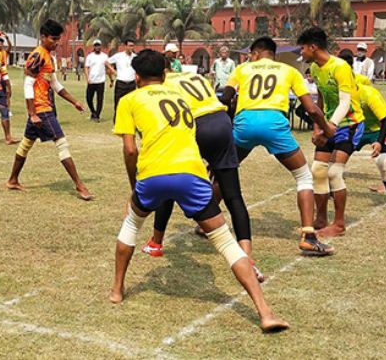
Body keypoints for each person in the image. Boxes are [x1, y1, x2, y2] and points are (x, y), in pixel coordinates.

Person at [109, 49, 288, 332]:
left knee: (131, 224)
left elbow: (130, 149)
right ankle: (265, 312)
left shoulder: (129, 100)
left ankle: (117, 289)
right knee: (227, 244)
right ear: (165, 74)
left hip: (153, 175)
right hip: (192, 174)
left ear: (137, 77)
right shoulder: (181, 97)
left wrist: (135, 187)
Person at [141, 58, 266, 281]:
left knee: (170, 181)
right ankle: (247, 257)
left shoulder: (160, 85)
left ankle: (156, 242)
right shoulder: (195, 76)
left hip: (196, 126)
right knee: (233, 195)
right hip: (222, 121)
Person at [222, 36, 336, 255]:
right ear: (272, 53)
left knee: (224, 171)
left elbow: (225, 97)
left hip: (245, 124)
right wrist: (326, 128)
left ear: (255, 54)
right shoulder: (289, 70)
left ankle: (206, 223)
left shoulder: (242, 69)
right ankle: (309, 236)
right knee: (303, 177)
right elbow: (311, 109)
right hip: (274, 124)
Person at [6, 19, 93, 201]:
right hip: (41, 110)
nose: (56, 42)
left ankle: (13, 180)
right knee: (62, 143)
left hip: (44, 109)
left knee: (26, 144)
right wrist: (32, 113)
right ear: (43, 37)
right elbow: (28, 84)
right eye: (53, 39)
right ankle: (79, 185)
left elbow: (55, 84)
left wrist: (74, 101)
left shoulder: (50, 57)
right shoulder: (37, 55)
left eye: (58, 39)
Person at [297, 27, 365, 238]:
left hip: (349, 124)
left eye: (303, 49)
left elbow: (345, 102)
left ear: (313, 47)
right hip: (329, 124)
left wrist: (331, 127)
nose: (302, 54)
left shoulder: (340, 67)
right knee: (318, 170)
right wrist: (318, 126)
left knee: (334, 172)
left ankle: (339, 223)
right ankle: (321, 218)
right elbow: (322, 100)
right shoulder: (316, 69)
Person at [350, 73, 386, 209]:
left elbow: (385, 120)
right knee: (337, 155)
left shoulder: (368, 93)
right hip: (360, 129)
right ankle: (331, 190)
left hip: (381, 128)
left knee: (382, 161)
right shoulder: (339, 93)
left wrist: (379, 141)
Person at [105, 39, 136, 121]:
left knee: (131, 104)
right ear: (125, 46)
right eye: (129, 46)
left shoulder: (135, 57)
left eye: (132, 46)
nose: (131, 47)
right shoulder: (119, 56)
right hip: (121, 83)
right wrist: (114, 71)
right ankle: (116, 122)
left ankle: (129, 121)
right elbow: (107, 62)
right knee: (118, 103)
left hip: (131, 83)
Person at [84, 39, 109, 122]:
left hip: (100, 81)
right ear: (93, 47)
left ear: (100, 46)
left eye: (98, 45)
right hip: (92, 81)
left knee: (100, 100)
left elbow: (107, 68)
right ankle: (93, 112)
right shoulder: (90, 56)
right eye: (96, 45)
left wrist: (111, 79)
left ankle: (97, 116)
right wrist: (88, 78)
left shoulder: (104, 56)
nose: (97, 47)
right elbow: (86, 68)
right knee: (88, 98)